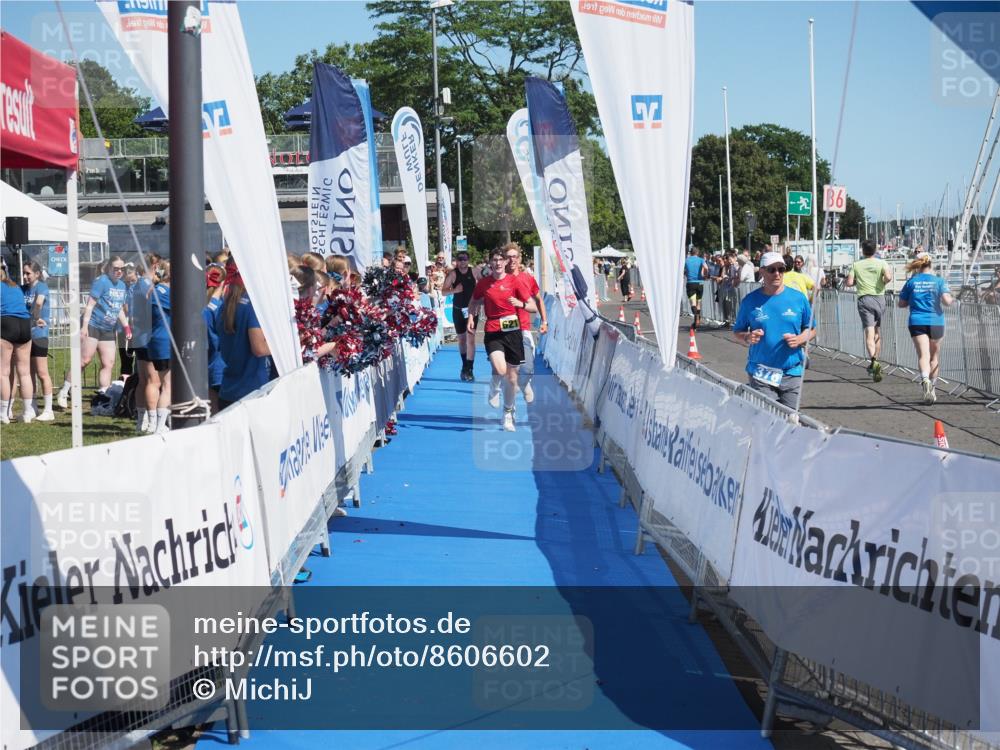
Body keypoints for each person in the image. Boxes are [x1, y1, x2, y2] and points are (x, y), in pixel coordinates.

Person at [732, 251, 816, 408]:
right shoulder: (750, 301)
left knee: (791, 420)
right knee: (771, 417)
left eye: (781, 269)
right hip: (761, 372)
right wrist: (747, 337)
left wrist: (800, 339)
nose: (777, 273)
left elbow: (811, 329)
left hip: (792, 372)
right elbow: (738, 330)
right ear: (762, 271)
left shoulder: (798, 298)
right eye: (771, 269)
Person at [468, 249, 537, 431]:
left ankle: (508, 413)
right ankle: (494, 385)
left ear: (506, 262)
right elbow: (474, 301)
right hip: (493, 331)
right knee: (500, 369)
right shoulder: (484, 283)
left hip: (513, 332)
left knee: (513, 379)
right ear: (490, 263)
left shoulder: (515, 281)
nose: (498, 263)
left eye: (501, 260)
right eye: (494, 260)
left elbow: (532, 306)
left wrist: (521, 304)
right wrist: (470, 317)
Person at [56, 256, 130, 408]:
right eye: (116, 268)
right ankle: (65, 390)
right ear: (109, 268)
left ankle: (104, 396)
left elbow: (119, 309)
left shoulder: (122, 286)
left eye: (122, 269)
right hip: (93, 324)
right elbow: (90, 305)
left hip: (109, 328)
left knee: (108, 363)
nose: (119, 271)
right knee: (84, 360)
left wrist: (126, 326)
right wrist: (84, 326)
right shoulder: (102, 281)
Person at [215, 260, 271, 409]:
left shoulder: (224, 305)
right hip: (252, 392)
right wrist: (289, 344)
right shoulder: (251, 305)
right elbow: (259, 348)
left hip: (228, 391)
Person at [897, 254, 953, 404]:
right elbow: (947, 302)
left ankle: (925, 380)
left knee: (923, 355)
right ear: (931, 264)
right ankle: (933, 389)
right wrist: (952, 299)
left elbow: (901, 304)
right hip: (936, 321)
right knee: (934, 357)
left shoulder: (911, 282)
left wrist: (913, 299)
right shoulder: (939, 281)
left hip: (917, 321)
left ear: (918, 265)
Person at [845, 239, 892, 382]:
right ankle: (876, 361)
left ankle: (873, 360)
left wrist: (857, 281)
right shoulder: (882, 263)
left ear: (862, 250)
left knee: (869, 333)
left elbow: (849, 283)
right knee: (878, 332)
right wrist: (881, 282)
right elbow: (888, 277)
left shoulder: (856, 265)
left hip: (864, 299)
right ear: (875, 249)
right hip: (880, 299)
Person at [505, 243, 547, 403]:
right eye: (508, 257)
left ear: (519, 258)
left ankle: (525, 384)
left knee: (528, 369)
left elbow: (539, 300)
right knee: (509, 370)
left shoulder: (527, 278)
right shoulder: (499, 277)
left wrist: (544, 321)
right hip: (504, 331)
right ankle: (508, 410)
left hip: (523, 329)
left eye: (514, 256)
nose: (511, 260)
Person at [21, 262, 54, 421]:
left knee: (42, 372)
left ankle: (49, 410)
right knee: (29, 372)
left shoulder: (41, 287)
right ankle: (32, 406)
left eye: (28, 273)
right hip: (26, 335)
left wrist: (35, 318)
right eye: (24, 273)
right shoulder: (23, 289)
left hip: (40, 334)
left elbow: (39, 302)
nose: (26, 276)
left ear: (37, 274)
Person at [440, 250, 480, 381]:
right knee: (462, 339)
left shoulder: (474, 271)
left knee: (471, 339)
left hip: (472, 310)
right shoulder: (452, 274)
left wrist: (480, 299)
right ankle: (464, 365)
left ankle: (470, 368)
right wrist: (455, 290)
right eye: (460, 259)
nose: (463, 261)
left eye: (465, 259)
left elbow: (485, 283)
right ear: (457, 261)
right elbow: (443, 292)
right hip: (458, 310)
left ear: (468, 260)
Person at [1, 266, 34, 423]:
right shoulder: (15, 286)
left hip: (6, 323)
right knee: (25, 372)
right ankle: (28, 412)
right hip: (24, 324)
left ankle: (3, 414)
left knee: (3, 372)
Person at [143, 260, 172, 433]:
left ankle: (161, 424)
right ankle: (160, 428)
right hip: (165, 341)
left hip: (156, 340)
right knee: (168, 385)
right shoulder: (164, 293)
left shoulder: (154, 290)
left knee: (163, 383)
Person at [130, 256, 157, 432]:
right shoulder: (147, 285)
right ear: (153, 266)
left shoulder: (135, 285)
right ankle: (152, 421)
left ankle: (142, 420)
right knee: (152, 380)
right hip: (147, 336)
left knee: (143, 380)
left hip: (139, 336)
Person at [684, 247, 707, 329]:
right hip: (700, 282)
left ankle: (696, 316)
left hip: (691, 283)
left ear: (691, 253)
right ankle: (696, 320)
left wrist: (686, 273)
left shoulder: (686, 260)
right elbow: (706, 268)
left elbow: (684, 271)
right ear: (697, 253)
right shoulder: (701, 260)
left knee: (693, 303)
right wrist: (705, 275)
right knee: (698, 302)